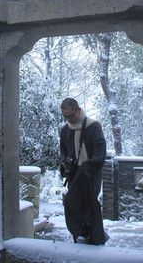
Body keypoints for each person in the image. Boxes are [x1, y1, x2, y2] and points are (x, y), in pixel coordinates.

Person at [59, 98, 108, 245]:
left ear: (78, 110)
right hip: (74, 174)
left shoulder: (93, 127)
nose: (68, 119)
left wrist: (87, 169)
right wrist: (65, 164)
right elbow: (63, 151)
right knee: (72, 204)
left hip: (89, 175)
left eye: (71, 116)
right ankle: (79, 236)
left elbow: (100, 154)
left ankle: (94, 238)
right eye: (65, 116)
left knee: (89, 206)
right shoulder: (66, 130)